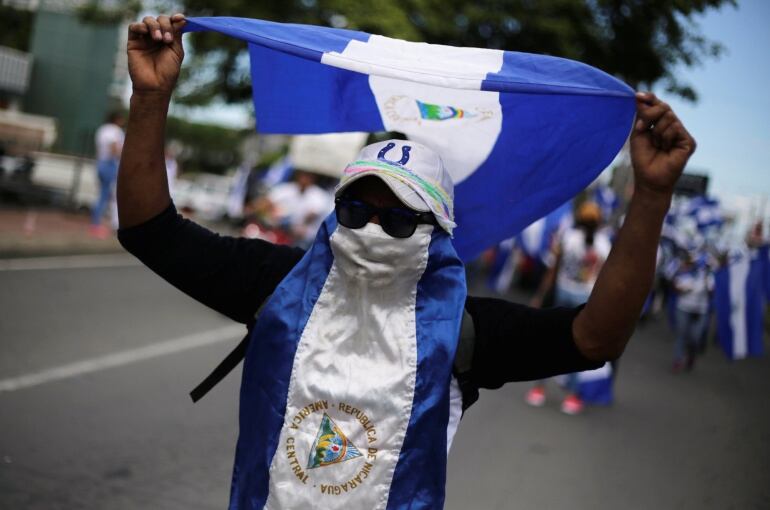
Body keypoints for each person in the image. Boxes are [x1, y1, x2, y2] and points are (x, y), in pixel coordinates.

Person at [118, 14, 696, 509]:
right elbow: (152, 232)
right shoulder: (280, 284)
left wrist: (650, 196)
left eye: (397, 219)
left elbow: (596, 338)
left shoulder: (463, 331)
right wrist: (150, 97)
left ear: (438, 232)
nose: (372, 229)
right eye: (355, 211)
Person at [526, 201, 613, 414]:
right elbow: (605, 277)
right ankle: (573, 396)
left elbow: (552, 270)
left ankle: (538, 389)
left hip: (562, 293)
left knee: (551, 342)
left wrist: (540, 296)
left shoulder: (567, 236)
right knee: (578, 348)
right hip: (586, 298)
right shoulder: (604, 243)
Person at [91, 111, 125, 238]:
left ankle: (100, 222)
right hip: (110, 164)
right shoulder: (115, 131)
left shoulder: (102, 129)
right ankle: (96, 225)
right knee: (106, 196)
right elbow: (114, 148)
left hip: (100, 162)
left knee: (104, 195)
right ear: (117, 119)